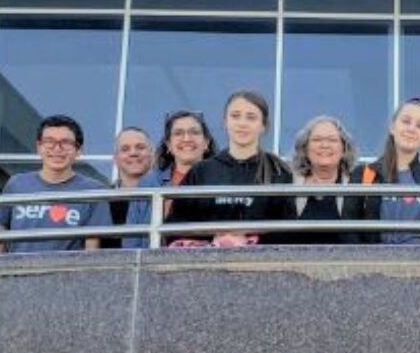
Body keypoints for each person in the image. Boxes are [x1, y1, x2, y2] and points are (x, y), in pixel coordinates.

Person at [167, 90, 296, 246]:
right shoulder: (200, 172)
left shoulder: (279, 172)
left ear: (263, 125)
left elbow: (290, 232)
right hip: (206, 265)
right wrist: (213, 241)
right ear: (225, 122)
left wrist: (250, 241)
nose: (242, 123)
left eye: (251, 117)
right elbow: (175, 228)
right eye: (235, 116)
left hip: (262, 265)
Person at [0, 115, 112, 255]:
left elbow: (92, 249)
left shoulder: (94, 191)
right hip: (18, 273)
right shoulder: (16, 185)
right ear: (39, 147)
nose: (57, 148)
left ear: (78, 150)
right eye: (49, 141)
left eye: (65, 142)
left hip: (66, 275)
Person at [343, 99, 420, 244]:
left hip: (419, 263)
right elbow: (348, 227)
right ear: (392, 127)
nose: (412, 129)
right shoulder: (364, 174)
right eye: (406, 121)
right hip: (374, 263)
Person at [123, 110, 216, 248]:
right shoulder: (149, 184)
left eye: (194, 132)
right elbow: (131, 240)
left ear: (206, 143)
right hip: (156, 266)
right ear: (168, 145)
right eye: (178, 133)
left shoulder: (222, 179)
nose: (186, 138)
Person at [289, 115, 356, 244]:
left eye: (332, 140)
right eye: (317, 139)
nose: (324, 145)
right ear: (305, 148)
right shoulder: (288, 183)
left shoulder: (356, 185)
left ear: (344, 150)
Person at [103, 126, 153, 249]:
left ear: (152, 155)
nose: (133, 153)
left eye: (140, 147)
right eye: (125, 149)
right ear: (115, 159)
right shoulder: (102, 201)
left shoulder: (166, 196)